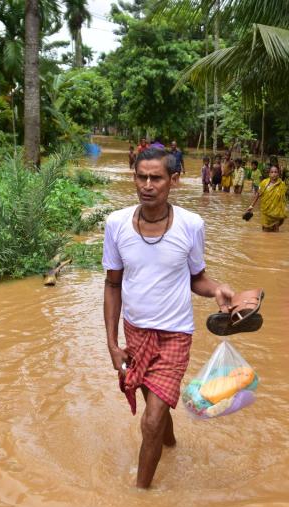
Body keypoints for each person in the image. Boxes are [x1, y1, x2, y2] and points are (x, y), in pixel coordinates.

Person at [103, 147, 237, 489]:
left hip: (175, 335)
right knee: (155, 408)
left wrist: (217, 290)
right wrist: (112, 343)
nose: (147, 185)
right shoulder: (116, 224)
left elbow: (197, 279)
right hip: (136, 332)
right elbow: (113, 284)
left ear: (173, 181)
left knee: (150, 422)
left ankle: (140, 499)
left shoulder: (191, 225)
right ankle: (171, 445)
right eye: (141, 176)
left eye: (156, 178)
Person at [244, 164, 287, 231]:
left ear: (278, 174)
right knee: (265, 231)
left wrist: (284, 211)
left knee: (276, 231)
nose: (274, 174)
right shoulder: (264, 183)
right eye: (272, 172)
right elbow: (258, 195)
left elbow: (283, 200)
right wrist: (251, 206)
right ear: (269, 174)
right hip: (265, 212)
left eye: (275, 172)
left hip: (276, 214)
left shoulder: (282, 184)